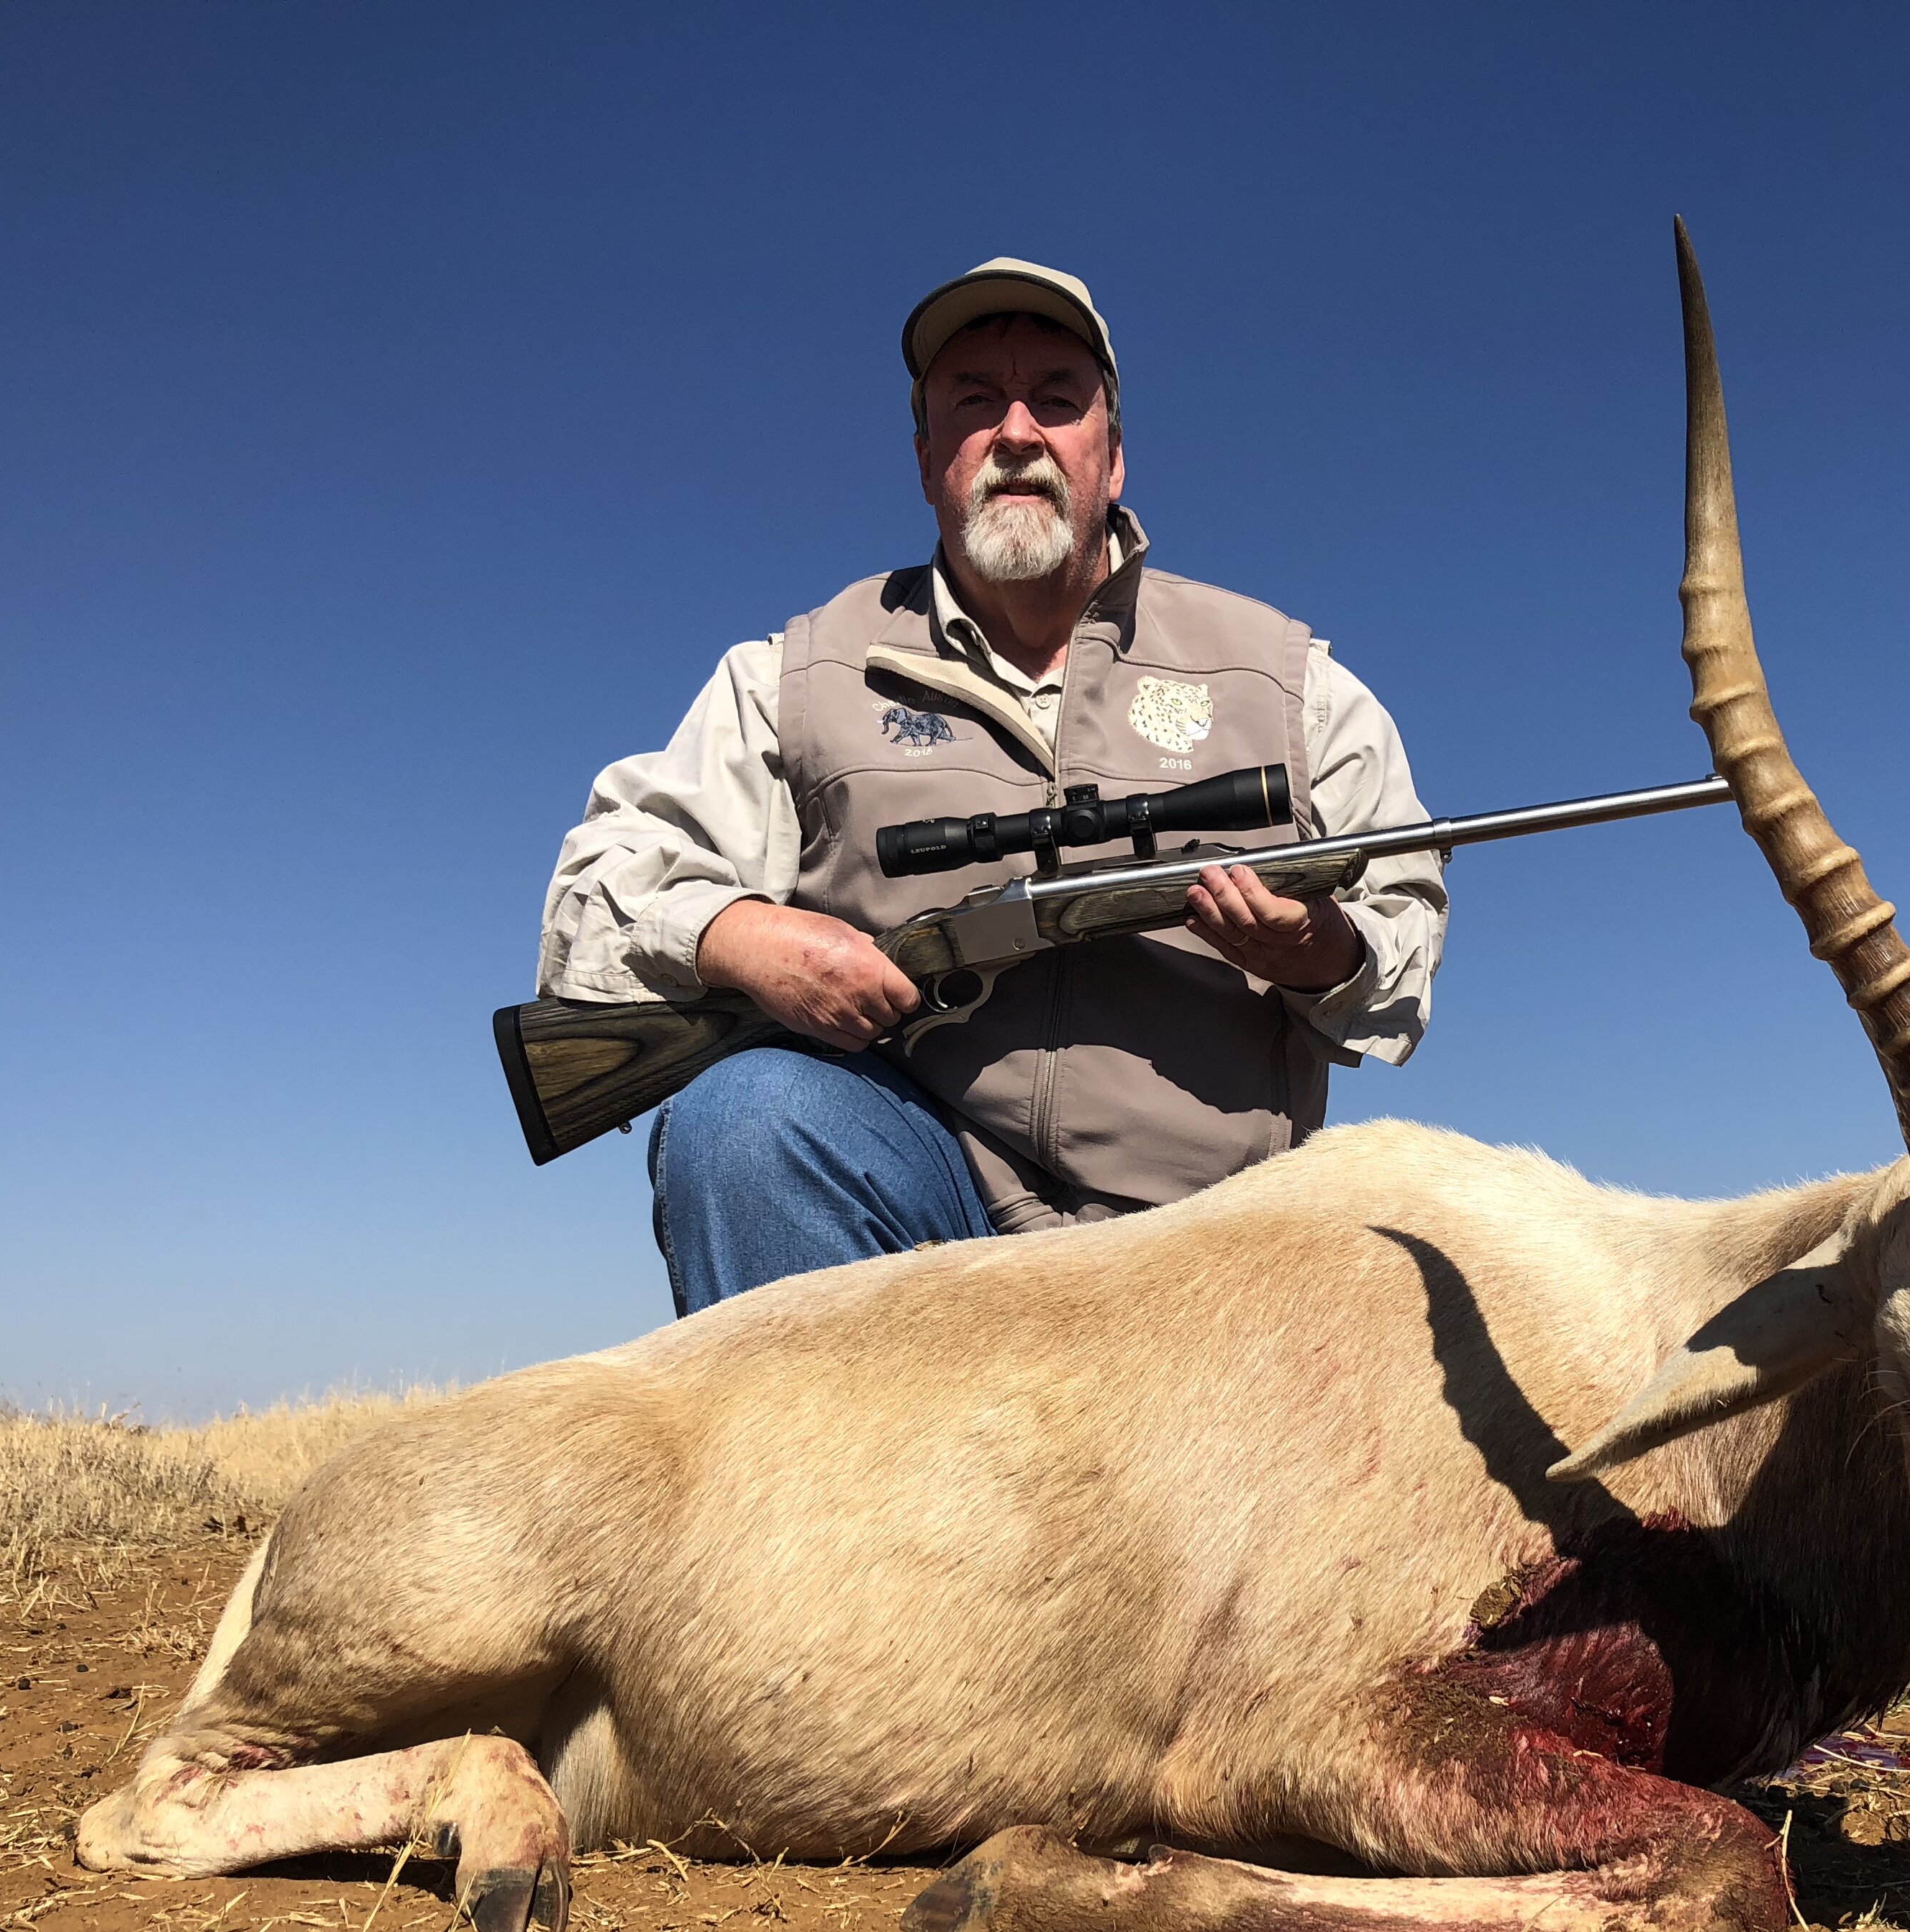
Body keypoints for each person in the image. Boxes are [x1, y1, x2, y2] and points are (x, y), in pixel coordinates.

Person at [540, 258, 1447, 1314]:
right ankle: (821, 1482)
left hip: (1216, 1246)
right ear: (929, 460)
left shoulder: (1293, 682)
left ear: (1112, 456)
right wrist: (744, 941)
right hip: (928, 1218)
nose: (1017, 431)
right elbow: (599, 883)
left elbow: (1402, 940)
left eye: (1057, 399)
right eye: (974, 401)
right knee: (747, 1120)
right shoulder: (792, 675)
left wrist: (1316, 953)